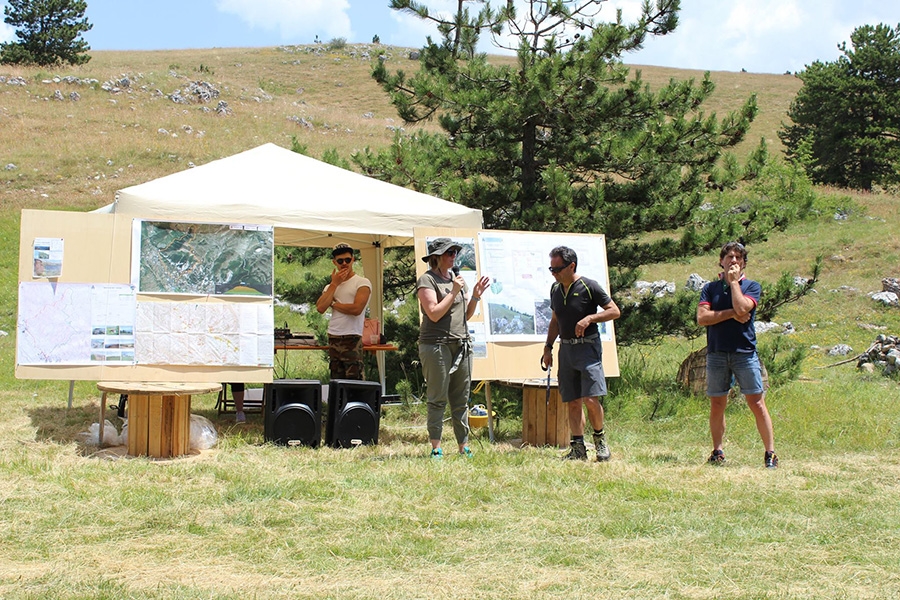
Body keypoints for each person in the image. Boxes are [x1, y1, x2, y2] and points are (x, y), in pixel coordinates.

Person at [697, 242, 778, 468]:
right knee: (717, 403)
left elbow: (744, 307)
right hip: (717, 353)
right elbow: (702, 318)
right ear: (721, 262)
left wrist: (734, 284)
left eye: (738, 258)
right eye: (729, 257)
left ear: (743, 264)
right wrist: (732, 313)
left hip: (745, 353)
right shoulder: (710, 288)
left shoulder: (752, 286)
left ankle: (770, 453)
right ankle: (717, 451)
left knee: (757, 402)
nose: (733, 260)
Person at [542, 246, 620, 461]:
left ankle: (600, 440)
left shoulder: (589, 286)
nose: (553, 273)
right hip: (566, 349)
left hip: (588, 348)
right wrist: (548, 347)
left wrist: (590, 319)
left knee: (591, 398)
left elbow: (614, 311)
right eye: (551, 268)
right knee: (573, 400)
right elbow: (555, 320)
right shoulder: (555, 289)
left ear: (571, 266)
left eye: (557, 269)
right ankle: (578, 448)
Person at [417, 238, 490, 459]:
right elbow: (434, 313)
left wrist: (475, 296)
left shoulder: (457, 279)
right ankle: (436, 447)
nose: (453, 256)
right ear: (436, 257)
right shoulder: (427, 280)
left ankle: (463, 446)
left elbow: (465, 316)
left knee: (461, 399)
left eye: (455, 252)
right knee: (438, 397)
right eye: (449, 253)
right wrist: (453, 291)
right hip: (436, 345)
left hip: (461, 343)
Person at [316, 243, 372, 380]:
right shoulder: (330, 286)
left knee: (354, 379)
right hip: (334, 336)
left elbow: (356, 309)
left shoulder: (362, 282)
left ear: (353, 259)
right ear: (334, 262)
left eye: (348, 260)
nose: (344, 264)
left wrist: (334, 304)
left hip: (352, 337)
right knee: (337, 380)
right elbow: (320, 307)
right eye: (340, 261)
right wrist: (334, 284)